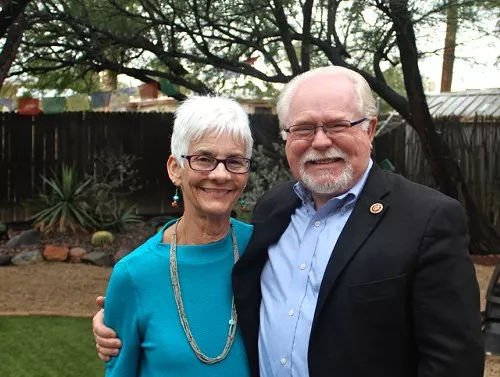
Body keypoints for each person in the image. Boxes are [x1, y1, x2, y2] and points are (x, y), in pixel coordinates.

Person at [94, 66, 485, 377]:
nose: (319, 141)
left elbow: (453, 363)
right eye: (302, 128)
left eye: (335, 125)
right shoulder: (273, 212)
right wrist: (112, 322)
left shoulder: (428, 219)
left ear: (369, 128)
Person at [100, 95, 254, 377]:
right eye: (204, 159)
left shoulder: (265, 249)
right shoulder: (134, 275)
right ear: (175, 168)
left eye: (234, 161)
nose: (220, 174)